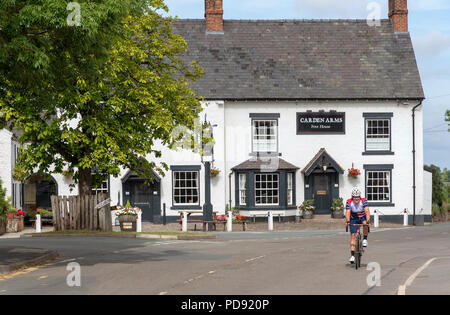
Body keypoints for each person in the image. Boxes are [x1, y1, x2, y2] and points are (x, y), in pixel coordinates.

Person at [345, 187, 370, 264]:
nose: (356, 199)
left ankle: (365, 239)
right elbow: (348, 212)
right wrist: (348, 221)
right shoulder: (349, 202)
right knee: (353, 235)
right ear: (352, 197)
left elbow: (367, 210)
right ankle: (352, 256)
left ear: (360, 197)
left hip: (362, 216)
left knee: (365, 224)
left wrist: (368, 221)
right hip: (353, 218)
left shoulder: (364, 201)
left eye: (358, 197)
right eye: (355, 197)